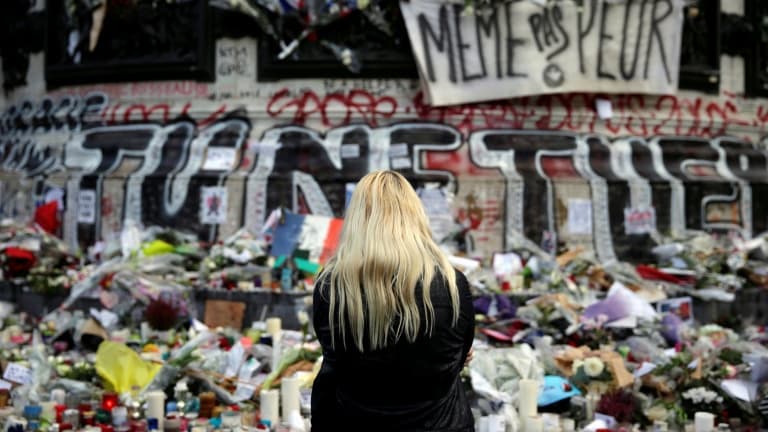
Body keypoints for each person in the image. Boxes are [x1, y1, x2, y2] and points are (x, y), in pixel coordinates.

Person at [311, 170, 475, 431]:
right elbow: (458, 357)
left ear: (357, 220)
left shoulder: (331, 288)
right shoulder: (453, 285)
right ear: (415, 215)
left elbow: (333, 360)